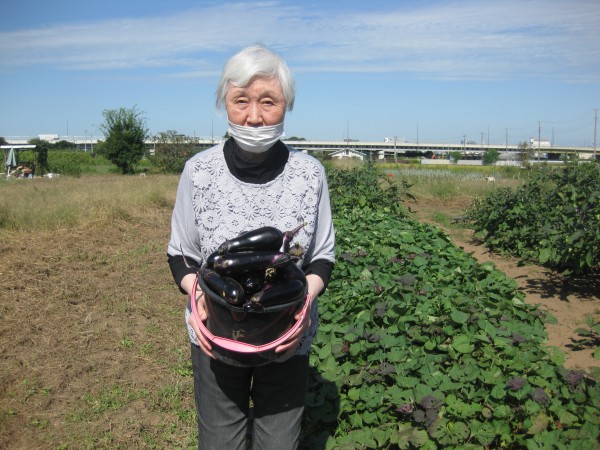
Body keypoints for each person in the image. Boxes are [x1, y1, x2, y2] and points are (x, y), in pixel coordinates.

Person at [167, 45, 335, 449]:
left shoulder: (310, 174)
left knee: (279, 441)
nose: (254, 116)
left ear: (287, 105)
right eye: (241, 101)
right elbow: (180, 254)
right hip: (215, 335)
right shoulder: (199, 171)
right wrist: (198, 295)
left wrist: (302, 305)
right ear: (224, 103)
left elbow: (321, 257)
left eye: (268, 101)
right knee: (220, 439)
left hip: (287, 335)